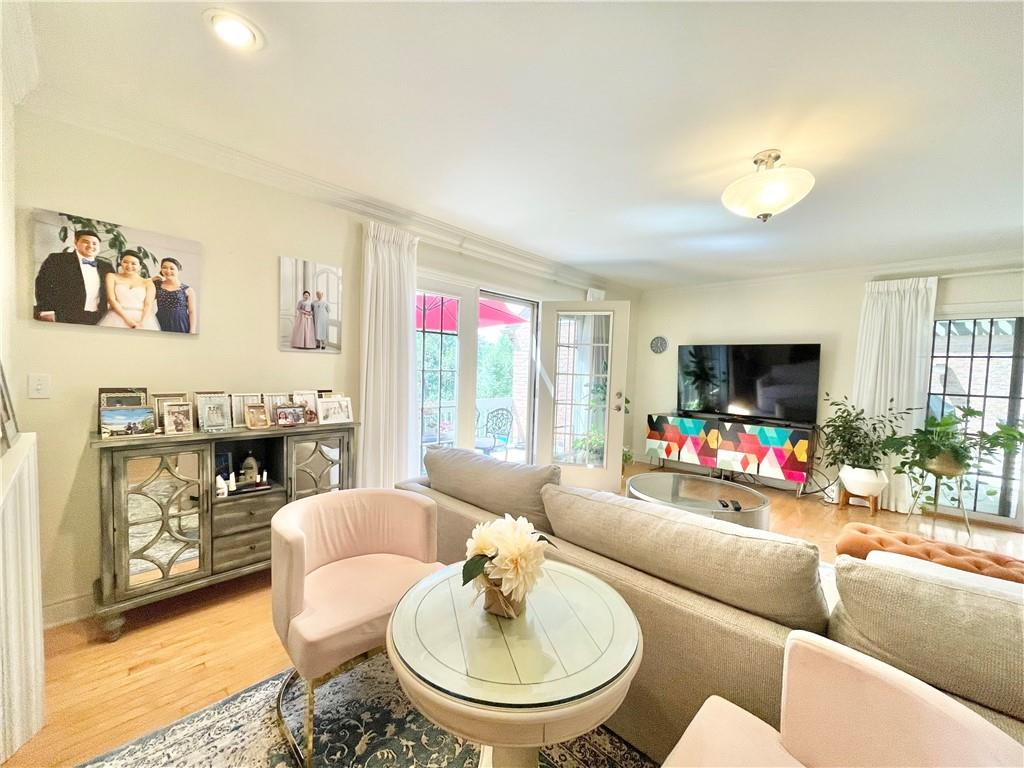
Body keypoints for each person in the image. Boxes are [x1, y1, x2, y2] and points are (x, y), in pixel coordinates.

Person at [34, 229, 115, 324]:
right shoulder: (57, 259)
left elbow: (114, 290)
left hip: (98, 317)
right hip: (63, 315)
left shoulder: (106, 266)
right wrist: (46, 309)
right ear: (76, 243)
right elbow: (43, 284)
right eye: (86, 242)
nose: (90, 246)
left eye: (94, 243)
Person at [97, 250, 160, 330]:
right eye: (125, 262)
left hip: (142, 319)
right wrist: (129, 321)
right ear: (121, 263)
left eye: (133, 263)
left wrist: (142, 323)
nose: (129, 266)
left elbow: (148, 305)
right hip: (117, 316)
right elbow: (111, 299)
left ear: (140, 266)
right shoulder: (112, 276)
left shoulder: (147, 282)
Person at [152, 257, 197, 333]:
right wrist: (151, 280)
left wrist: (192, 330)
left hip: (180, 323)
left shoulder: (188, 290)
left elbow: (192, 312)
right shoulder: (156, 285)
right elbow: (145, 299)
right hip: (160, 321)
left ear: (178, 270)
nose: (168, 271)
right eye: (164, 267)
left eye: (172, 268)